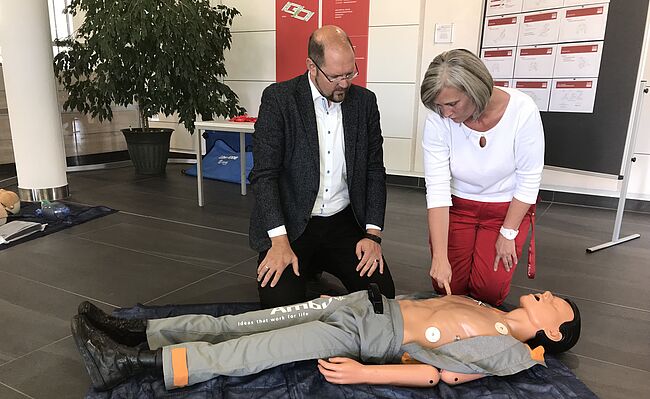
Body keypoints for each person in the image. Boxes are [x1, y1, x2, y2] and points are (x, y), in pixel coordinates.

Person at [71, 289, 580, 391]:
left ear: (554, 331)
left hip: (362, 333)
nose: (548, 292)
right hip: (357, 304)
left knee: (249, 351)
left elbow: (441, 373)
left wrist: (366, 373)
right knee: (245, 322)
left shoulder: (507, 350)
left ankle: (133, 364)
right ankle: (138, 331)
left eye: (556, 301)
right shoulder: (487, 305)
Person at [249, 25, 394, 308]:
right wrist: (278, 241)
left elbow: (375, 171)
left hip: (344, 222)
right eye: (335, 76)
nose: (344, 83)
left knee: (382, 296)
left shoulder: (365, 103)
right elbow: (264, 175)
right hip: (292, 225)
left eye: (350, 73)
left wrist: (372, 235)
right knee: (280, 308)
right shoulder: (279, 99)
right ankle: (311, 276)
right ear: (311, 67)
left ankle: (319, 279)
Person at [420, 49, 545, 306]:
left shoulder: (523, 110)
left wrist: (508, 234)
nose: (445, 114)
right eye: (439, 106)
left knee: (489, 293)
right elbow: (438, 189)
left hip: (505, 210)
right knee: (447, 288)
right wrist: (440, 257)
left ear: (475, 90)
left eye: (452, 104)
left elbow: (529, 179)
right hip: (458, 206)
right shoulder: (438, 118)